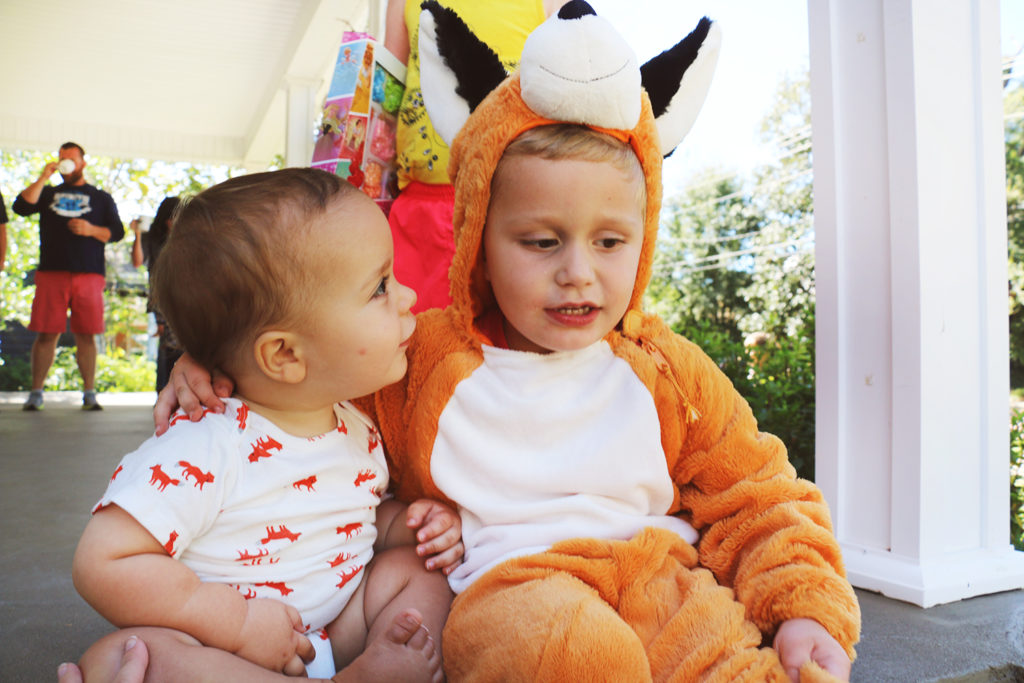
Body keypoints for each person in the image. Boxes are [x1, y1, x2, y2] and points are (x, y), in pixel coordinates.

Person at [157, 4, 861, 680]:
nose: (578, 272)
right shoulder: (420, 357)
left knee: (737, 664)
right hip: (513, 588)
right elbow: (306, 366)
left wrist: (805, 608)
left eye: (611, 241)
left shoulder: (668, 370)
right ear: (480, 240)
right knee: (560, 655)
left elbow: (757, 494)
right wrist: (219, 361)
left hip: (662, 578)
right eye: (541, 241)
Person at [72, 168, 460, 682]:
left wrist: (412, 525)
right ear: (284, 354)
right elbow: (103, 561)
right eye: (380, 288)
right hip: (229, 652)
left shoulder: (357, 426)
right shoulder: (206, 443)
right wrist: (235, 624)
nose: (409, 297)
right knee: (127, 656)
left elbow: (359, 515)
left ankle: (374, 665)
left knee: (419, 571)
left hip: (338, 625)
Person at [383, 0, 560, 313]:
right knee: (413, 335)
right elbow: (388, 88)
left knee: (497, 341)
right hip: (418, 208)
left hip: (509, 202)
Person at [13, 142, 125, 411]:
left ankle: (89, 393)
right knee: (47, 333)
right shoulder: (48, 192)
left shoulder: (100, 198)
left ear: (83, 162)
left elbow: (117, 233)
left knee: (86, 335)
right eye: (62, 158)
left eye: (71, 159)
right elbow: (20, 207)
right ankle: (36, 392)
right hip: (51, 273)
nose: (66, 163)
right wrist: (43, 176)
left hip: (89, 274)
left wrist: (90, 230)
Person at [130, 196, 183, 392]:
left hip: (184, 299)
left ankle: (173, 390)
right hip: (161, 298)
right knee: (168, 347)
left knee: (180, 346)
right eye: (171, 218)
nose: (174, 223)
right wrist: (137, 234)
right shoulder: (152, 236)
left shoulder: (188, 238)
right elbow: (137, 262)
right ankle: (163, 391)